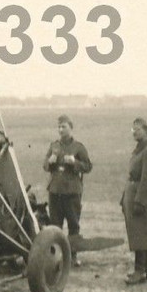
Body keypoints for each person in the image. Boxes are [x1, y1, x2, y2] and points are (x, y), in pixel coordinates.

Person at [43, 114, 92, 266]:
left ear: (71, 128)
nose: (60, 130)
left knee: (73, 224)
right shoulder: (54, 146)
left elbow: (88, 166)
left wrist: (75, 162)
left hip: (72, 192)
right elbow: (45, 165)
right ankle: (56, 257)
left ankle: (73, 256)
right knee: (55, 225)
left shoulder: (78, 147)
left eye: (64, 127)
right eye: (59, 127)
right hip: (55, 191)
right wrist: (49, 162)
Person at [121, 117, 147, 285]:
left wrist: (140, 202)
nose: (134, 132)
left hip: (140, 197)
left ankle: (140, 271)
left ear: (146, 130)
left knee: (141, 234)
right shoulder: (139, 151)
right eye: (133, 129)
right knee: (143, 233)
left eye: (137, 129)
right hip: (134, 195)